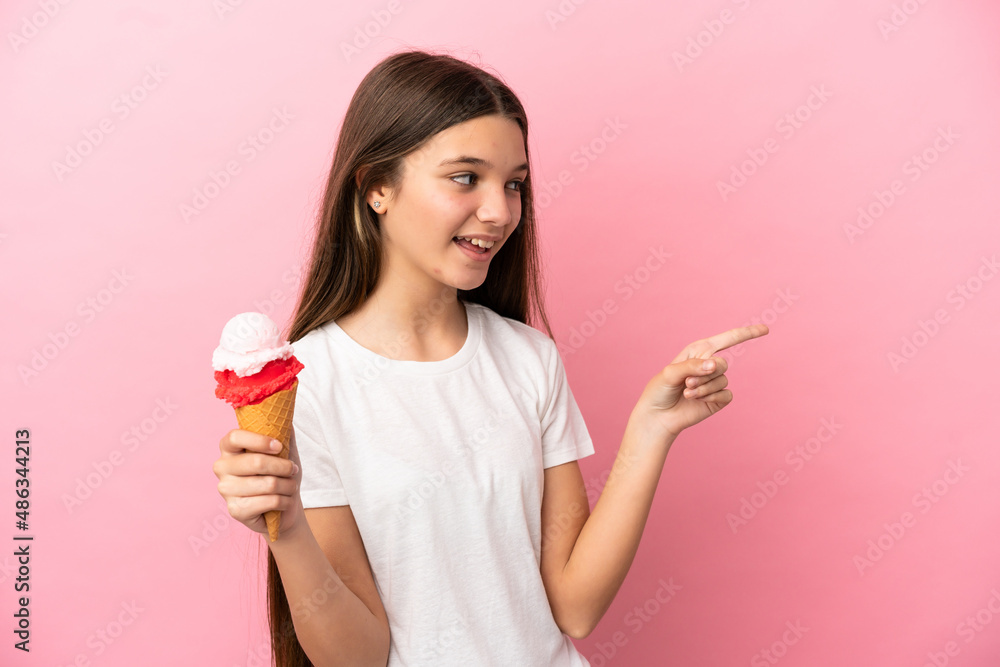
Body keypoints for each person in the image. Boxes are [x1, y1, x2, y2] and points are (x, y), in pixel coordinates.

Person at [212, 48, 769, 667]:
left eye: (514, 184)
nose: (500, 211)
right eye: (464, 177)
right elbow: (359, 658)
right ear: (377, 188)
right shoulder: (312, 386)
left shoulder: (529, 360)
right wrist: (285, 527)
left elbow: (575, 606)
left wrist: (652, 429)